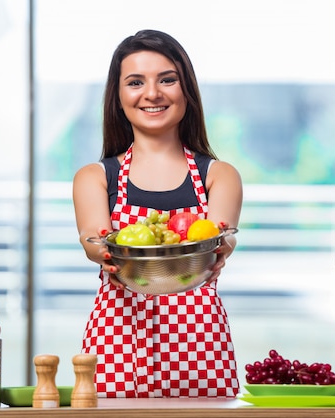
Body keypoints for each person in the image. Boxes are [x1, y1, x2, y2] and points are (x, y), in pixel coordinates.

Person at [72, 29, 242, 398]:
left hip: (200, 346)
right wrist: (99, 250)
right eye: (136, 82)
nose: (152, 93)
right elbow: (92, 237)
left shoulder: (220, 176)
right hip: (115, 340)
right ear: (118, 98)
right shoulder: (95, 177)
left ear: (187, 92)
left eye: (167, 80)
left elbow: (221, 241)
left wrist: (222, 243)